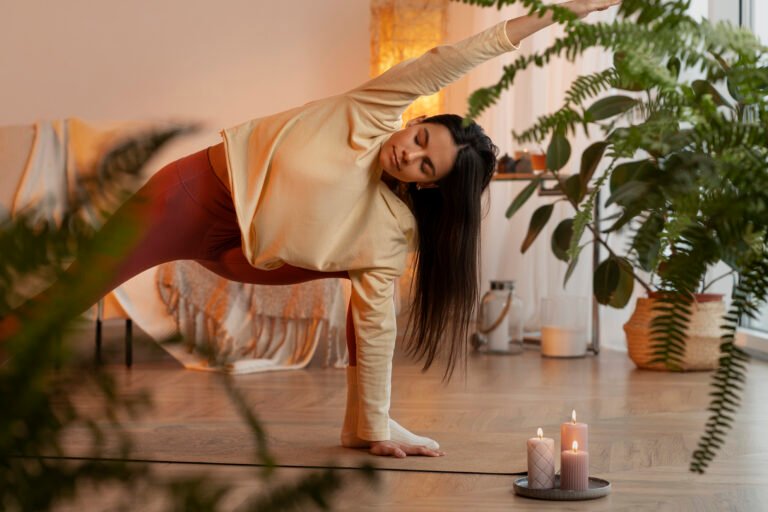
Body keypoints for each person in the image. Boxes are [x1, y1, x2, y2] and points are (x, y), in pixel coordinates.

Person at [0, 0, 620, 458]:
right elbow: (452, 58)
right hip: (195, 197)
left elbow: (377, 321)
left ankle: (366, 424)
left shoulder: (394, 228)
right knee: (77, 288)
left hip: (247, 253)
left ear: (430, 187)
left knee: (372, 287)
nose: (410, 154)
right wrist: (554, 13)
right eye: (421, 139)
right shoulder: (374, 110)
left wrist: (376, 425)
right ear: (417, 122)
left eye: (426, 165)